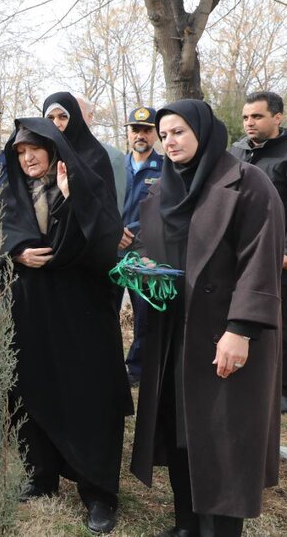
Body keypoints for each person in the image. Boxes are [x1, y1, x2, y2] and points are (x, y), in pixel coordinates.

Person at [130, 100, 283, 537]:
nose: (169, 141)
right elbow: (162, 249)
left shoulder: (247, 183)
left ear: (203, 130)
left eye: (178, 131)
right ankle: (187, 524)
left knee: (223, 437)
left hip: (224, 329)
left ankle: (221, 530)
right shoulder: (164, 188)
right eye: (164, 134)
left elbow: (260, 259)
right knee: (181, 429)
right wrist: (138, 260)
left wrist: (241, 330)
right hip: (175, 329)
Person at [0, 118, 132, 535]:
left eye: (34, 149)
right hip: (30, 310)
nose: (27, 158)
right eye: (19, 152)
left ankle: (99, 492)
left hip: (83, 312)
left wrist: (77, 200)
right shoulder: (9, 190)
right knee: (32, 389)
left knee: (89, 397)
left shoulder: (87, 182)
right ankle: (42, 475)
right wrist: (15, 251)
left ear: (55, 148)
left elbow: (107, 243)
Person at [230, 90, 287, 415]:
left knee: (278, 324)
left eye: (257, 116)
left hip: (276, 259)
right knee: (237, 320)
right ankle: (245, 380)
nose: (249, 122)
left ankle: (281, 389)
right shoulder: (235, 152)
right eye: (246, 117)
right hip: (236, 257)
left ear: (277, 118)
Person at [119, 107, 163, 386]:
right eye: (135, 129)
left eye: (147, 130)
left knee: (143, 315)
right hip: (112, 251)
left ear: (155, 134)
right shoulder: (114, 165)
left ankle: (137, 369)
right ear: (128, 132)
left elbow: (166, 211)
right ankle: (111, 366)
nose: (140, 135)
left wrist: (134, 235)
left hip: (143, 253)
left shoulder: (167, 167)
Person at [75, 94, 127, 209]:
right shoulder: (48, 154)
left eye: (77, 112)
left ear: (90, 116)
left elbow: (114, 212)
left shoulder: (112, 157)